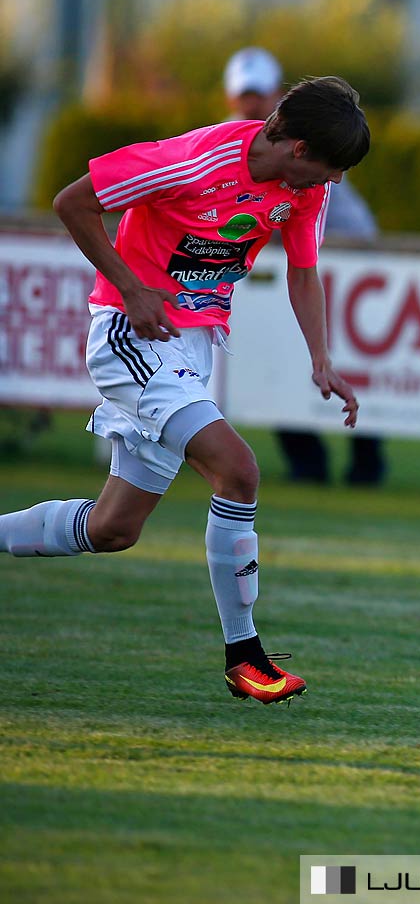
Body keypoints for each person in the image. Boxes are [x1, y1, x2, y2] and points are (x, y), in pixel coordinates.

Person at [0, 78, 370, 704]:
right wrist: (131, 287)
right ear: (300, 148)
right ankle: (244, 655)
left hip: (191, 349)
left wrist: (321, 357)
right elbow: (73, 203)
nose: (330, 185)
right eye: (329, 171)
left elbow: (303, 271)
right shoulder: (194, 160)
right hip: (129, 335)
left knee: (114, 528)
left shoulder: (303, 190)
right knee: (239, 470)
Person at [226, 47, 385, 487]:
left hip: (345, 258)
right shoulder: (229, 144)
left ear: (276, 93)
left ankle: (367, 463)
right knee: (280, 358)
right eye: (244, 95)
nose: (251, 103)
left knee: (346, 361)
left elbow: (302, 235)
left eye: (258, 94)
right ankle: (309, 462)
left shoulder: (311, 149)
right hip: (288, 264)